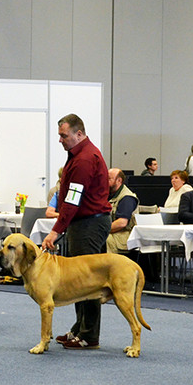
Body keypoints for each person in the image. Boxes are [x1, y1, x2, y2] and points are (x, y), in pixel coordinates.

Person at [41, 114, 111, 351]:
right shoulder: (78, 155)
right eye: (60, 135)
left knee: (88, 282)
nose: (60, 140)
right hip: (85, 224)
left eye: (64, 135)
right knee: (78, 280)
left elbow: (72, 201)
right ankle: (80, 328)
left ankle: (89, 335)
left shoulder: (84, 159)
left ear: (78, 134)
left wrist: (55, 232)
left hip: (89, 224)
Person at [106, 168, 139, 254]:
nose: (105, 181)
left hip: (123, 235)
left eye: (109, 179)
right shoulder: (108, 194)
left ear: (119, 180)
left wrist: (102, 230)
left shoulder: (127, 198)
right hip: (113, 232)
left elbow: (122, 223)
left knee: (100, 239)